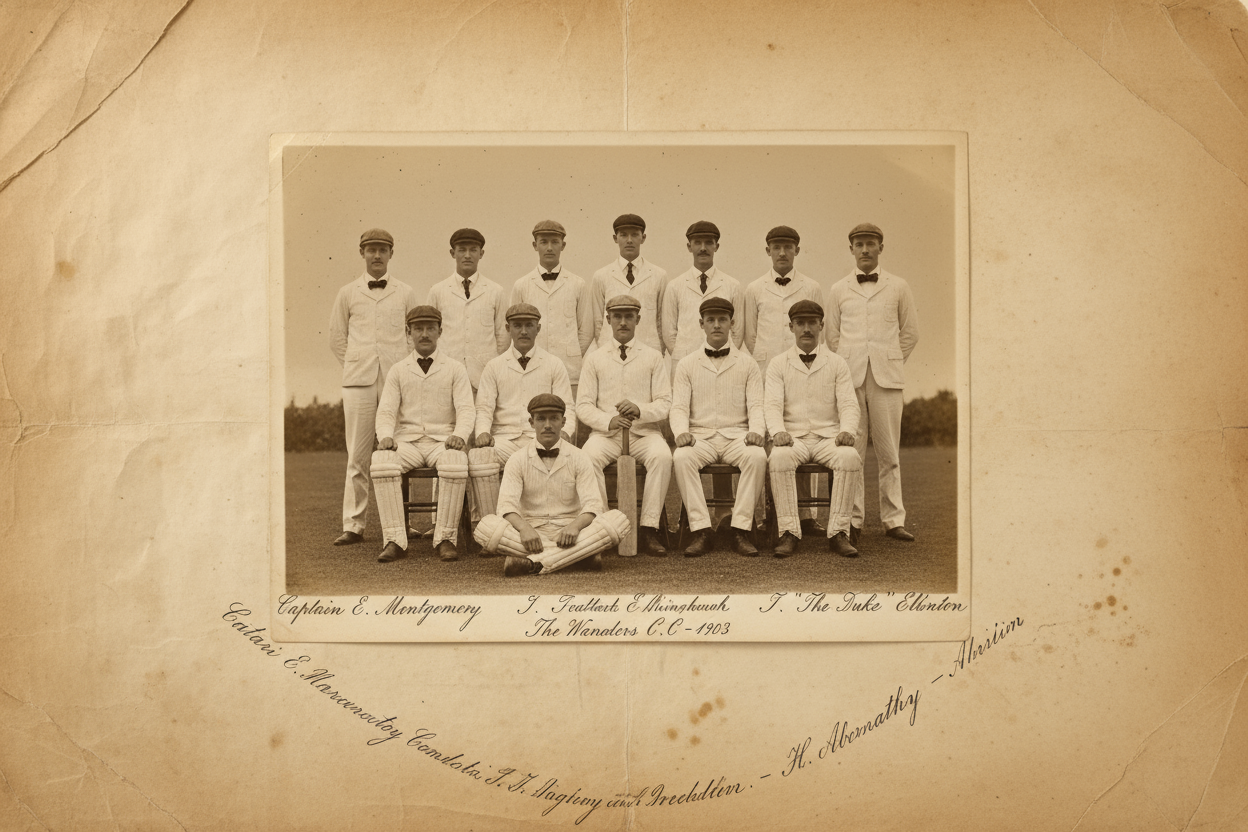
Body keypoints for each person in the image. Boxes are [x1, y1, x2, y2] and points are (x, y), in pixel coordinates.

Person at [826, 223, 920, 543]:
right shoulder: (839, 289)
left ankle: (893, 520)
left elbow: (910, 334)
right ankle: (853, 520)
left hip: (887, 381)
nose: (865, 249)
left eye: (871, 243)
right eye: (859, 244)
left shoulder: (899, 286)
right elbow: (832, 337)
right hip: (850, 380)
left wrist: (889, 360)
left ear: (881, 247)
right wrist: (848, 367)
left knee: (889, 453)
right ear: (851, 249)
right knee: (852, 453)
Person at [327, 228, 420, 547]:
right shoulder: (347, 293)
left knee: (400, 449)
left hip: (396, 381)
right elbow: (337, 339)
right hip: (358, 383)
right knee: (358, 454)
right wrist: (357, 364)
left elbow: (413, 336)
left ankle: (402, 525)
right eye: (371, 250)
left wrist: (400, 371)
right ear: (362, 253)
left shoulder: (406, 292)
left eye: (383, 249)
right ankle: (353, 525)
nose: (377, 255)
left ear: (391, 253)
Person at [474, 394, 631, 576]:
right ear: (531, 422)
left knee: (616, 521)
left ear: (563, 422)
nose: (547, 425)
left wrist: (575, 527)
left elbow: (593, 505)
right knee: (487, 527)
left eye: (554, 419)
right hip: (531, 535)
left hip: (571, 533)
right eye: (541, 419)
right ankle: (577, 558)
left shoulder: (580, 457)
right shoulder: (517, 459)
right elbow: (505, 506)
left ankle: (530, 561)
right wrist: (524, 529)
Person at [369, 306, 474, 563]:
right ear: (409, 333)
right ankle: (395, 539)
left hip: (442, 441)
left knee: (455, 461)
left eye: (430, 328)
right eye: (418, 329)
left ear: (440, 330)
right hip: (408, 443)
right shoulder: (398, 370)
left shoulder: (454, 368)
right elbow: (386, 412)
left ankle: (446, 538)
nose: (424, 334)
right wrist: (385, 436)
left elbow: (466, 409)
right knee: (382, 461)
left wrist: (460, 434)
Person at [669, 296, 767, 557]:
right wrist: (681, 433)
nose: (716, 325)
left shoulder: (747, 364)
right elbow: (679, 406)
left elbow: (757, 405)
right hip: (700, 438)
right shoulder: (687, 364)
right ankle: (701, 530)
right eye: (710, 320)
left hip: (737, 438)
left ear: (731, 323)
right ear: (701, 324)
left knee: (757, 456)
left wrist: (756, 430)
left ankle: (741, 529)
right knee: (681, 456)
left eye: (722, 320)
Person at [576, 294, 673, 556]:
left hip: (644, 434)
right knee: (587, 458)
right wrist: (609, 420)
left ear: (638, 319)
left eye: (628, 316)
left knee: (663, 456)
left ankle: (648, 528)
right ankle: (605, 527)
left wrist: (640, 410)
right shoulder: (594, 359)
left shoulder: (652, 357)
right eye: (617, 317)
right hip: (606, 436)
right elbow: (583, 405)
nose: (622, 322)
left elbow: (665, 402)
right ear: (607, 320)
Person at [765, 300, 863, 558]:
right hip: (793, 439)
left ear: (821, 325)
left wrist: (848, 431)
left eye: (811, 323)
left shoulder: (837, 363)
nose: (806, 329)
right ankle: (788, 532)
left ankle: (839, 532)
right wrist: (777, 432)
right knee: (779, 456)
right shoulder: (778, 363)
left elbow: (849, 405)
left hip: (827, 438)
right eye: (800, 323)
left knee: (850, 456)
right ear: (791, 327)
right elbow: (772, 405)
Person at [743, 225, 826, 530]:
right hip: (767, 373)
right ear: (768, 251)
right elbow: (750, 336)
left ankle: (806, 516)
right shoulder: (754, 289)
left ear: (796, 251)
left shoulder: (812, 287)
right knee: (769, 443)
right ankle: (769, 515)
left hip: (803, 371)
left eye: (787, 247)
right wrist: (766, 363)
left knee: (803, 434)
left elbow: (818, 332)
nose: (781, 252)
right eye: (776, 247)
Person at [469, 303, 577, 521]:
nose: (524, 331)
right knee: (480, 456)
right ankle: (492, 525)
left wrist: (566, 432)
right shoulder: (495, 366)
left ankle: (549, 521)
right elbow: (484, 407)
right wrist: (482, 432)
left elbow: (568, 406)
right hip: (504, 439)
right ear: (508, 329)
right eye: (517, 326)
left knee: (561, 457)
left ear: (539, 328)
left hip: (540, 438)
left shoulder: (554, 364)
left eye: (529, 325)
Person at [510, 220, 596, 396]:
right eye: (544, 242)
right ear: (535, 245)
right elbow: (514, 329)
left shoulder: (578, 284)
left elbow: (586, 330)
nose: (549, 248)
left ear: (563, 245)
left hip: (569, 370)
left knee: (567, 417)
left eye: (554, 242)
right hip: (532, 368)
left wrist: (570, 352)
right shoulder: (522, 285)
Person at [426, 228, 508, 390]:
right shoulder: (437, 291)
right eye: (462, 250)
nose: (468, 255)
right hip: (445, 374)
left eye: (473, 250)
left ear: (481, 253)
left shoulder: (496, 291)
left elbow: (503, 336)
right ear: (452, 253)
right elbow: (429, 332)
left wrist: (491, 365)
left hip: (484, 376)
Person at [660, 221, 744, 371]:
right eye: (697, 243)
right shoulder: (674, 286)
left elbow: (737, 331)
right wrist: (683, 355)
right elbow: (669, 332)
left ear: (716, 247)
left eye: (708, 243)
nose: (703, 248)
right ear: (689, 246)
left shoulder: (733, 285)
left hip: (723, 362)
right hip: (684, 363)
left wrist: (720, 354)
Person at [590, 214, 668, 354]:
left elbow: (662, 320)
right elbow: (598, 322)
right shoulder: (601, 276)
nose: (629, 240)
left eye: (635, 235)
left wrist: (658, 350)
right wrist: (603, 347)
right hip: (610, 351)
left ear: (643, 238)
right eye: (624, 235)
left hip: (648, 350)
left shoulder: (659, 275)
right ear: (615, 238)